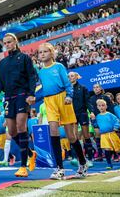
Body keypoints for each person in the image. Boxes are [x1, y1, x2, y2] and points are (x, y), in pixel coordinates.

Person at [36, 43, 88, 180]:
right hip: (49, 102)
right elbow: (44, 89)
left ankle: (83, 163)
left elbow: (67, 83)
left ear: (52, 53)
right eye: (40, 52)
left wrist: (69, 96)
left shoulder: (59, 66)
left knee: (71, 137)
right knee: (53, 131)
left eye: (45, 51)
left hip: (63, 99)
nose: (42, 54)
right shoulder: (40, 72)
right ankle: (59, 169)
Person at [0, 33, 37, 177]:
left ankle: (23, 166)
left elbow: (32, 76)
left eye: (9, 42)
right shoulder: (3, 62)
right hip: (8, 98)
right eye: (5, 43)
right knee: (12, 132)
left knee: (21, 126)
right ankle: (31, 153)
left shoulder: (25, 58)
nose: (7, 44)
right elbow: (0, 82)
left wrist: (31, 94)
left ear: (15, 41)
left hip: (22, 95)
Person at [68, 72, 94, 166]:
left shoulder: (83, 88)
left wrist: (91, 112)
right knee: (74, 137)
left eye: (72, 75)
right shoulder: (67, 89)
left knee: (86, 136)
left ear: (76, 77)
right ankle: (76, 158)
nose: (70, 77)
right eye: (68, 76)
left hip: (82, 113)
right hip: (72, 115)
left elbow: (88, 101)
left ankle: (90, 159)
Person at [91, 99, 120, 169]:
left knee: (118, 149)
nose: (101, 107)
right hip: (103, 135)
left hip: (112, 134)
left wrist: (116, 127)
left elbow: (117, 121)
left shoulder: (110, 115)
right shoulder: (97, 117)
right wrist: (93, 120)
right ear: (97, 107)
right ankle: (109, 164)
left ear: (106, 106)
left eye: (103, 105)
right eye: (99, 106)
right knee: (107, 149)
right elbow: (95, 125)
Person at [89, 84, 113, 161]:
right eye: (94, 87)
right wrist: (91, 113)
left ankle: (115, 154)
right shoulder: (91, 98)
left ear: (100, 88)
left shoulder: (105, 97)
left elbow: (111, 109)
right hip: (96, 119)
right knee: (97, 137)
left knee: (109, 136)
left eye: (97, 87)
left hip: (105, 119)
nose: (95, 89)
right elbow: (91, 109)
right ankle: (100, 154)